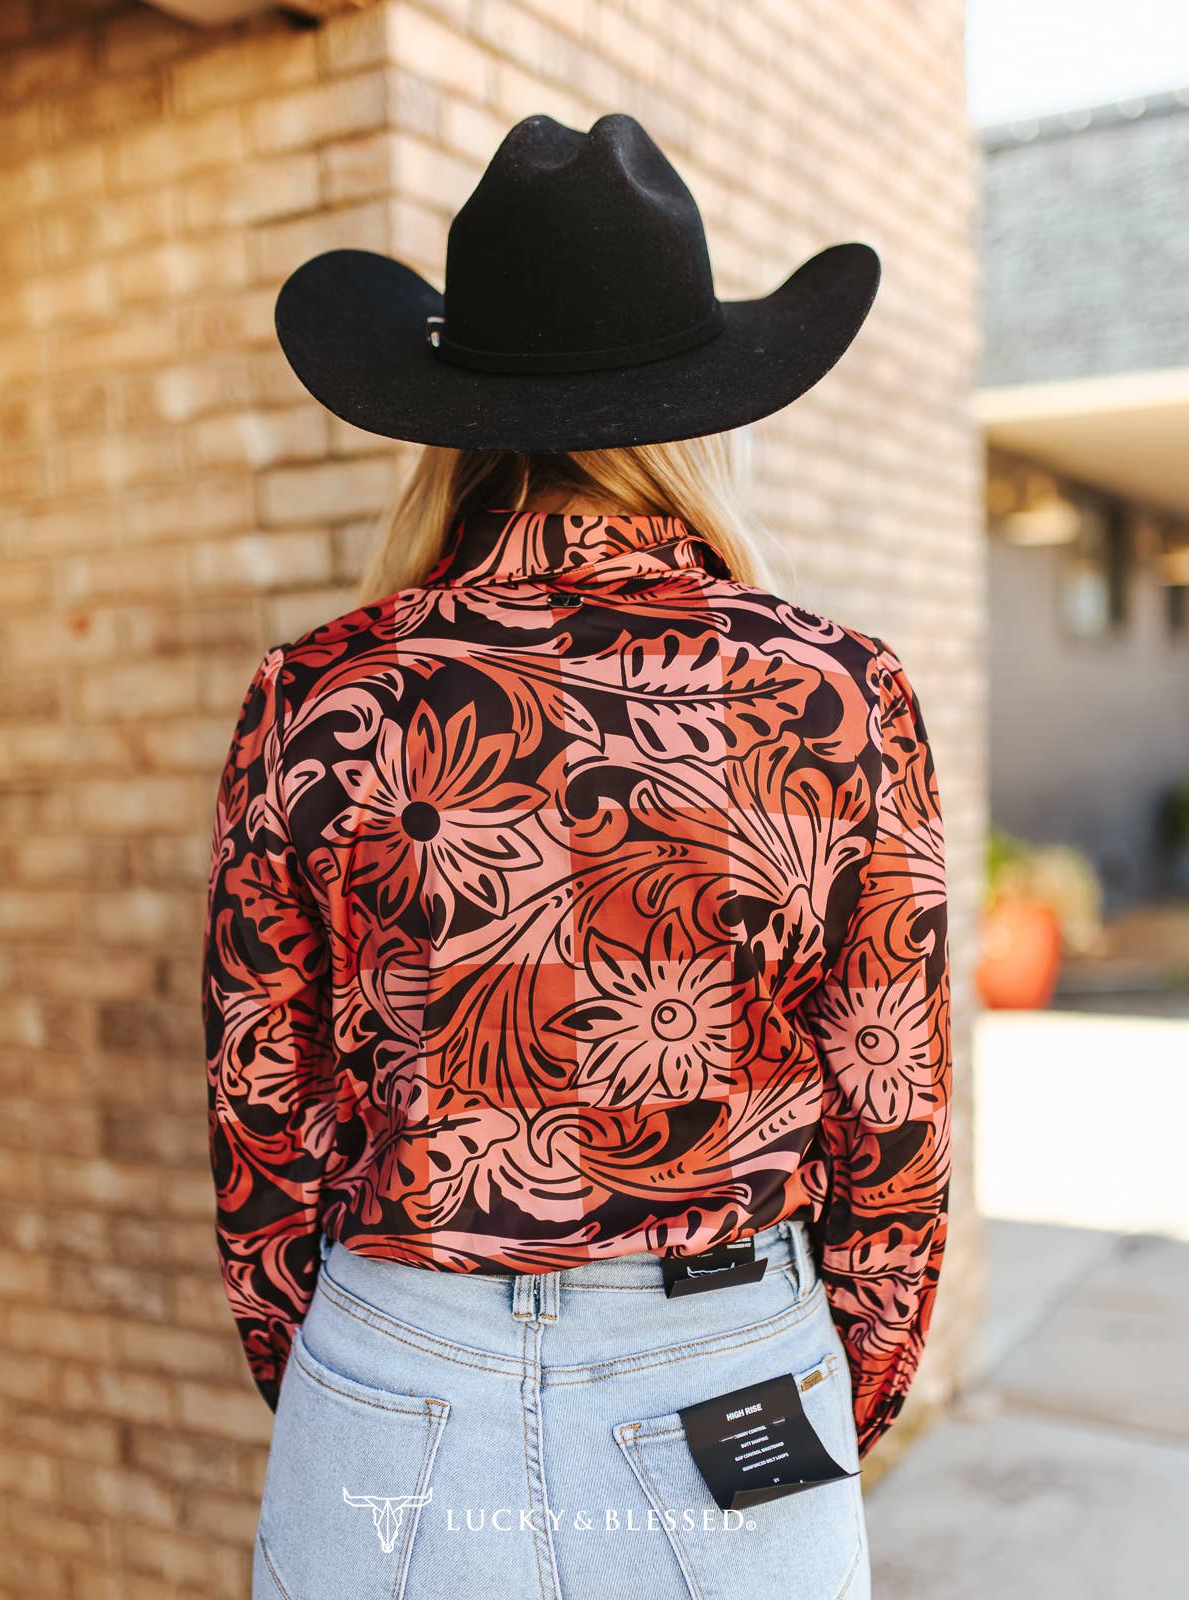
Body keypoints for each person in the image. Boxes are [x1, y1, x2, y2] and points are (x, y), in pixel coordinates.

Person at [202, 111, 951, 1600]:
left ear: (449, 415)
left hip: (386, 1366)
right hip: (725, 1360)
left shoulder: (322, 698)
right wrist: (830, 1381)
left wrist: (358, 1354)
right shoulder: (834, 692)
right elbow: (894, 1121)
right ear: (696, 418)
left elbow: (260, 1116)